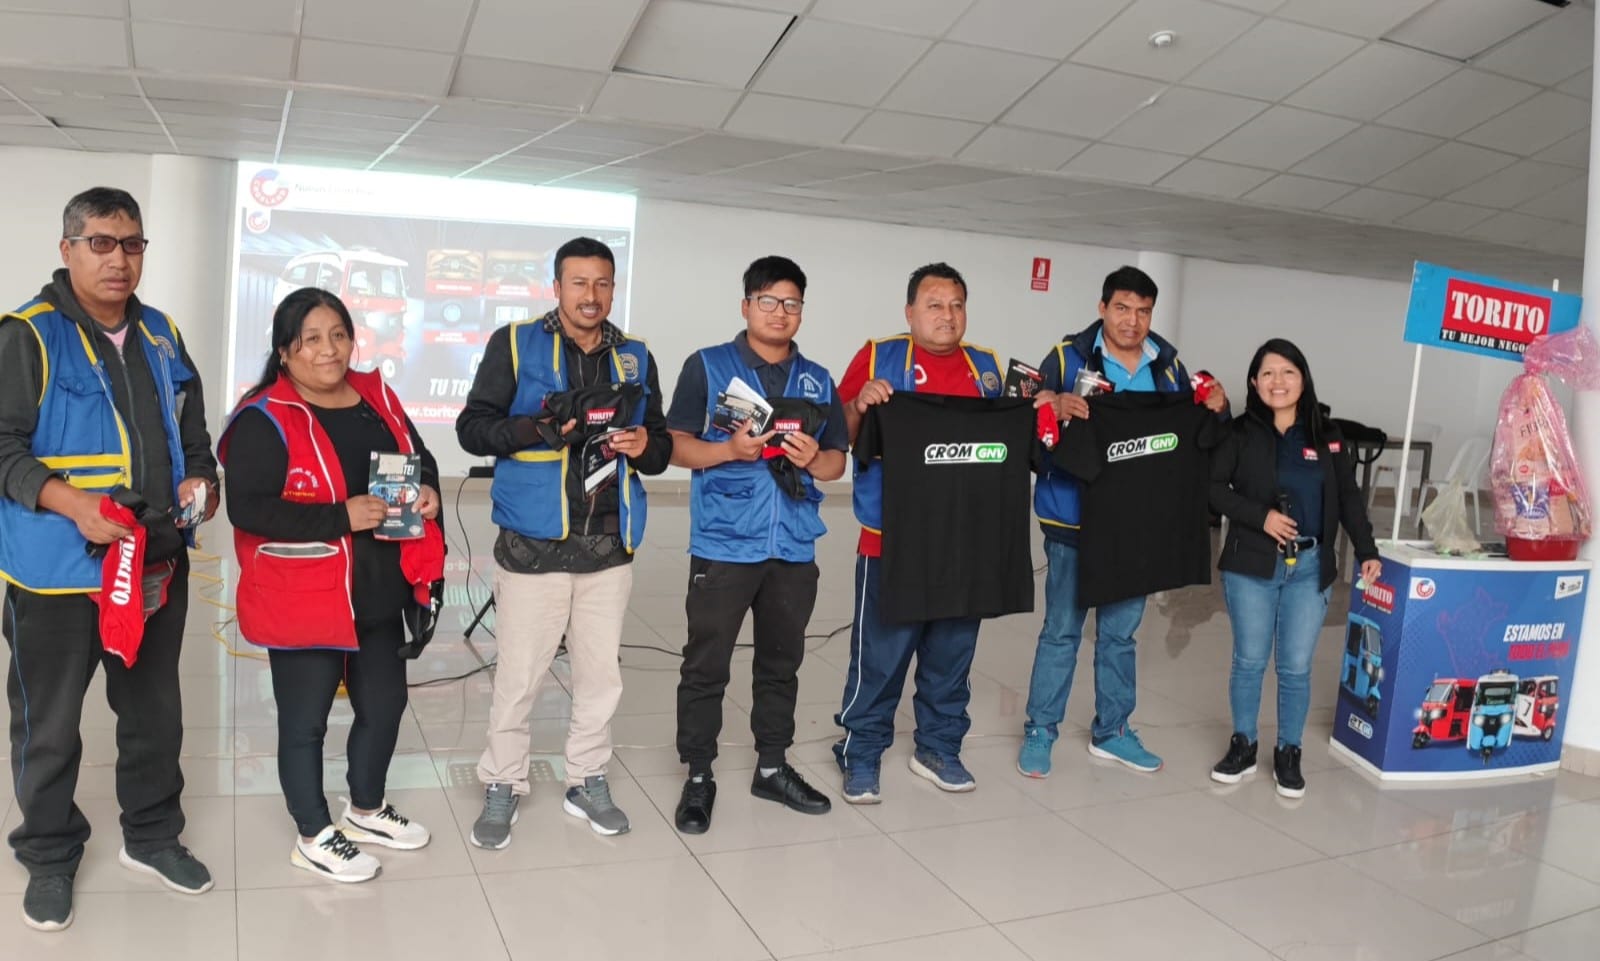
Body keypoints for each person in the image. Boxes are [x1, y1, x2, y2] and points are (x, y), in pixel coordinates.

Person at [0, 187, 218, 931]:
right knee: (50, 725)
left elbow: (193, 431)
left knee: (154, 715)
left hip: (155, 562)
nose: (118, 259)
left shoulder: (161, 333)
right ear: (67, 249)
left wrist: (202, 480)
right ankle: (48, 854)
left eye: (131, 244)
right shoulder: (29, 335)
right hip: (58, 574)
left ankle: (151, 836)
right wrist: (72, 502)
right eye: (100, 242)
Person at [219, 288, 446, 881]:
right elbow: (248, 508)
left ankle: (366, 808)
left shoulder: (376, 397)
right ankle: (313, 833)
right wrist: (339, 517)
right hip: (306, 598)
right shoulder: (264, 416)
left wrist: (427, 489)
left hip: (379, 589)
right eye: (312, 339)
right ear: (284, 351)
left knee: (385, 706)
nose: (329, 350)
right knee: (306, 722)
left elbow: (418, 456)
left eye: (339, 335)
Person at [456, 236, 671, 848]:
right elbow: (473, 428)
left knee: (601, 679)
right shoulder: (516, 343)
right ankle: (503, 781)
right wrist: (538, 429)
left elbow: (660, 446)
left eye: (602, 283)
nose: (591, 295)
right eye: (579, 283)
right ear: (556, 288)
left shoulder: (634, 356)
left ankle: (587, 778)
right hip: (534, 547)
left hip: (608, 547)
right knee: (519, 679)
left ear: (613, 288)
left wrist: (644, 446)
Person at [833, 262, 1054, 803]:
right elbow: (837, 432)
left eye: (957, 305)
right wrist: (860, 404)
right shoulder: (878, 356)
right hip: (892, 540)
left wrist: (1042, 409)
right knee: (881, 657)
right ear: (910, 311)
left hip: (966, 540)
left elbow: (1010, 436)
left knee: (952, 654)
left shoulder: (987, 369)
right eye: (934, 304)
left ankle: (938, 746)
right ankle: (861, 751)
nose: (947, 315)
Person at [1021, 265, 1229, 778]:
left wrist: (1217, 408)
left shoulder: (1169, 368)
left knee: (1120, 634)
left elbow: (1197, 435)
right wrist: (1053, 405)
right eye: (1122, 308)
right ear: (1102, 308)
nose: (1132, 320)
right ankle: (1041, 729)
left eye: (1143, 311)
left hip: (1138, 524)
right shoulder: (1067, 358)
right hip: (1073, 521)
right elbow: (1024, 417)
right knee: (1062, 631)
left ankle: (1112, 730)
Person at [665, 255, 846, 834]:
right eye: (768, 301)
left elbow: (837, 462)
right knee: (706, 665)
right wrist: (729, 450)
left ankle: (772, 767)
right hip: (724, 544)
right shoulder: (708, 366)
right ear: (746, 306)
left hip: (793, 547)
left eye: (791, 303)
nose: (780, 312)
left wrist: (814, 459)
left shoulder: (817, 380)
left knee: (781, 664)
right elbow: (674, 445)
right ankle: (699, 775)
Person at [1208, 339, 1381, 798]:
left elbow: (1347, 496)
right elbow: (1213, 488)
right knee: (1249, 660)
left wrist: (1367, 550)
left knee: (1295, 667)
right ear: (1254, 382)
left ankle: (1289, 750)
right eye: (1267, 373)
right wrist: (1260, 516)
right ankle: (1244, 745)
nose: (1278, 382)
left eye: (1287, 372)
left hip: (1308, 567)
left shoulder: (1327, 434)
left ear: (1303, 379)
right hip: (1251, 564)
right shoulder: (1239, 433)